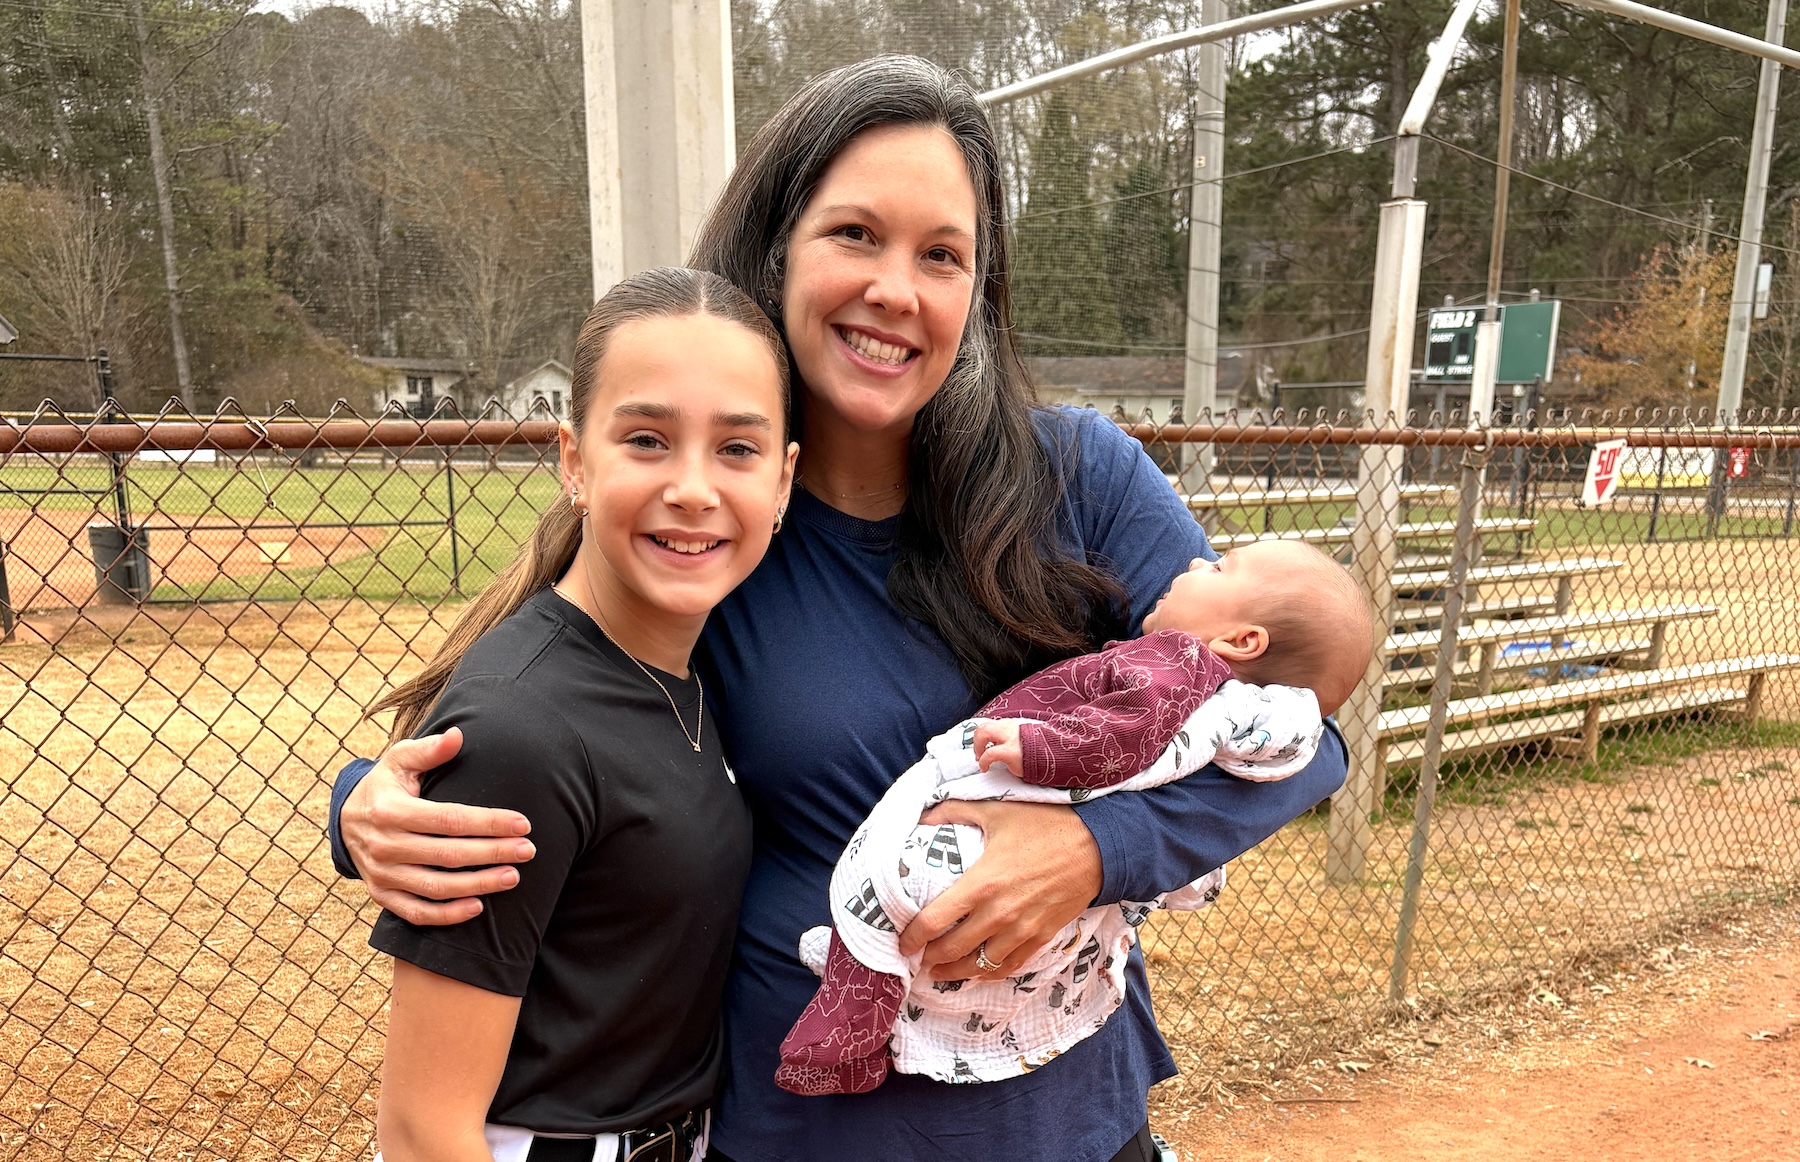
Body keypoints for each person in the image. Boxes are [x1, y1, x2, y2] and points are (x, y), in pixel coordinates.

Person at [328, 57, 1351, 1162]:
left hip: (1070, 1123)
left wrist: (1096, 848)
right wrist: (362, 808)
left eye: (942, 255)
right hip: (807, 1129)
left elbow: (1299, 731)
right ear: (779, 247)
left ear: (979, 286)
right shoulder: (711, 524)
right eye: (855, 234)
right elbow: (535, 700)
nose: (896, 291)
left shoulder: (1081, 480)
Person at [367, 267, 797, 1162]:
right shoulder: (522, 725)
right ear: (574, 459)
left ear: (785, 478)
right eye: (647, 439)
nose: (692, 487)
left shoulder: (684, 667)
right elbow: (419, 1129)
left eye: (738, 449)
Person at [776, 541, 1374, 1096]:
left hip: (998, 814)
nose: (1194, 563)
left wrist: (1042, 748)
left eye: (1218, 569)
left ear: (1244, 642)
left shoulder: (1178, 657)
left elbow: (1126, 733)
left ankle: (850, 1024)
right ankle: (895, 1001)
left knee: (881, 887)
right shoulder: (1241, 709)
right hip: (1046, 898)